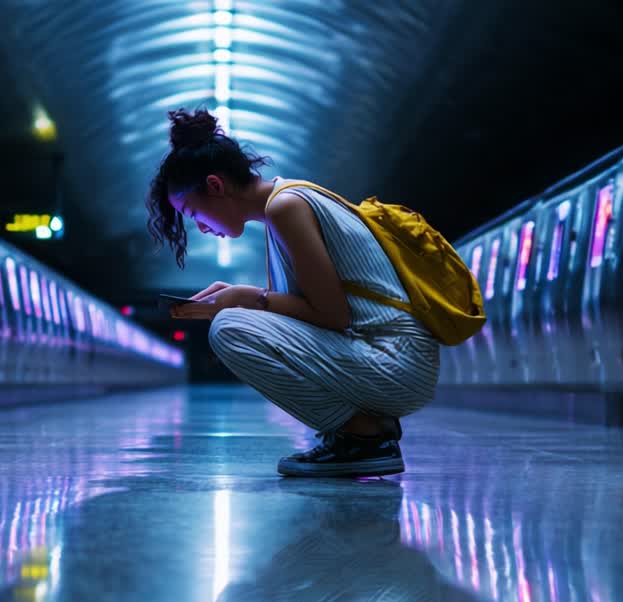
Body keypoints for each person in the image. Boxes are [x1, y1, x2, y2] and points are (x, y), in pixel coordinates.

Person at [146, 107, 441, 478]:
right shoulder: (286, 204)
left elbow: (333, 316)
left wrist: (246, 299)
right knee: (231, 318)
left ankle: (362, 437)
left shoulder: (287, 207)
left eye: (193, 213)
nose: (200, 228)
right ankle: (358, 433)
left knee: (229, 330)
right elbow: (323, 311)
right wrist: (239, 298)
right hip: (396, 359)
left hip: (395, 362)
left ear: (216, 186)